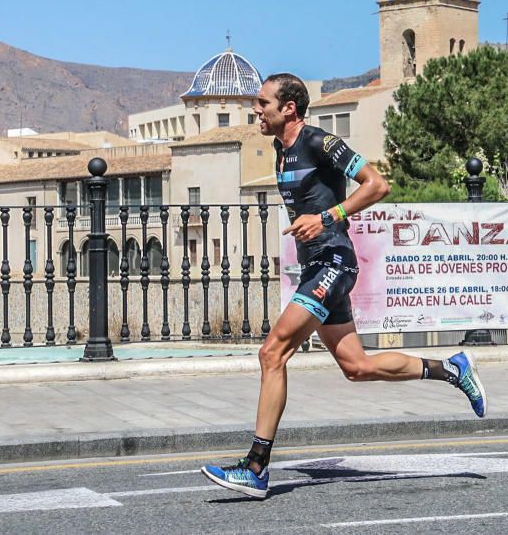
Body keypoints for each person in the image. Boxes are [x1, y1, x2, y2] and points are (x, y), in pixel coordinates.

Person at [201, 73, 487, 498]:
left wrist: (325, 218)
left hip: (334, 262)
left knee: (272, 351)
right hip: (317, 265)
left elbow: (377, 184)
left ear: (289, 108)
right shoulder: (280, 150)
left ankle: (257, 467)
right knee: (357, 367)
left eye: (263, 103)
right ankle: (452, 369)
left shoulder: (319, 143)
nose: (255, 110)